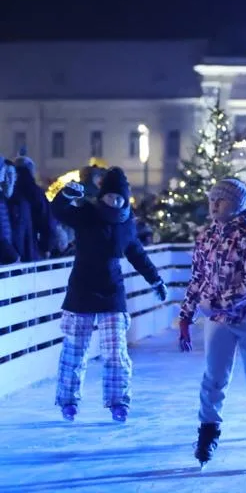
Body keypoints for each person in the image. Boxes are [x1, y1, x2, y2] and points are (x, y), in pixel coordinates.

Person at [177, 179, 246, 470]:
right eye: (212, 199)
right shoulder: (206, 237)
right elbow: (198, 278)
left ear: (236, 204)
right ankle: (207, 433)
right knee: (213, 379)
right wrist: (186, 315)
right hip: (219, 322)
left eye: (221, 200)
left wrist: (218, 303)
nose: (214, 205)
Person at [51, 168, 167, 422]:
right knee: (74, 350)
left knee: (116, 351)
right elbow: (58, 211)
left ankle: (118, 401)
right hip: (82, 290)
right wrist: (66, 194)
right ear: (102, 196)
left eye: (119, 198)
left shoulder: (126, 224)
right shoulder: (86, 215)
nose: (114, 201)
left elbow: (137, 253)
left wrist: (155, 279)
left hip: (112, 293)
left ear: (125, 200)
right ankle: (68, 400)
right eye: (110, 196)